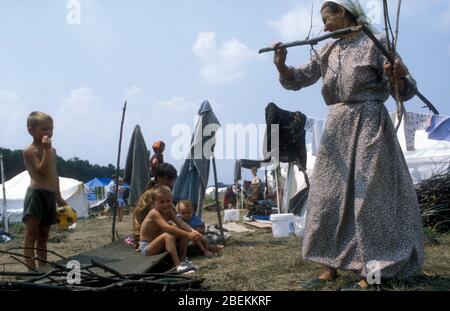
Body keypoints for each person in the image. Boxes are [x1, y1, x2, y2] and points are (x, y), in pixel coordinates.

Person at [273, 0, 424, 290]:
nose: (323, 25)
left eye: (326, 18)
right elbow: (299, 79)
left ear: (342, 13)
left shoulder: (376, 41)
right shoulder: (328, 48)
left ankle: (372, 273)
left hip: (369, 125)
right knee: (327, 196)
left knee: (367, 201)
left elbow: (405, 92)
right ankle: (328, 265)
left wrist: (398, 77)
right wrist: (281, 65)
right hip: (337, 127)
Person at [22, 111, 68, 270]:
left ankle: (43, 267)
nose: (49, 133)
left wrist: (59, 197)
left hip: (49, 196)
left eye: (51, 129)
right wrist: (47, 150)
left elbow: (54, 175)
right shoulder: (30, 151)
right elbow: (41, 170)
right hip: (36, 195)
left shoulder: (52, 151)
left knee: (44, 236)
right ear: (31, 130)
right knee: (32, 234)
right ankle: (31, 269)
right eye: (44, 129)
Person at [139, 186, 203, 271]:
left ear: (172, 201)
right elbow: (167, 228)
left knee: (182, 231)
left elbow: (181, 223)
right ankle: (177, 265)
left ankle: (182, 259)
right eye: (161, 202)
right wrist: (188, 234)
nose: (165, 204)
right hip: (147, 247)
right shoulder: (154, 213)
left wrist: (193, 231)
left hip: (158, 243)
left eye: (168, 201)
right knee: (168, 235)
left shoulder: (169, 212)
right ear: (153, 204)